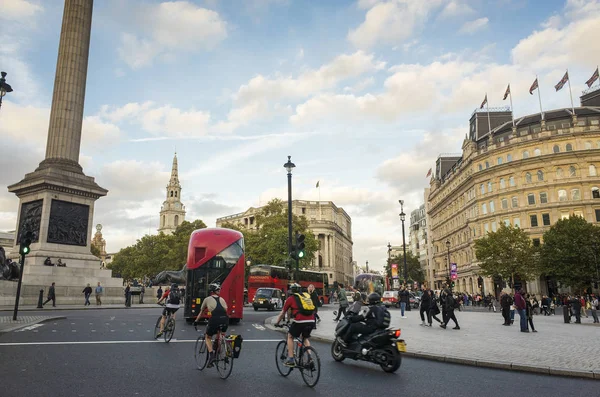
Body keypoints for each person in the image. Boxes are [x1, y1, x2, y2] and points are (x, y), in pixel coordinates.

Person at [274, 283, 315, 367]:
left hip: (300, 321)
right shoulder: (306, 296)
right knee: (305, 338)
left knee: (290, 336)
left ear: (291, 291)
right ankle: (310, 358)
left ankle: (291, 359)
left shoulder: (290, 298)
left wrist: (277, 322)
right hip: (311, 320)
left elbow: (282, 313)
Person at [194, 283, 229, 368]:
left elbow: (201, 312)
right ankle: (222, 351)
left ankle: (212, 355)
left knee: (208, 337)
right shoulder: (222, 299)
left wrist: (196, 321)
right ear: (216, 291)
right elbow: (225, 309)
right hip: (225, 319)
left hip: (215, 319)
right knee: (220, 333)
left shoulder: (207, 299)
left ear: (211, 291)